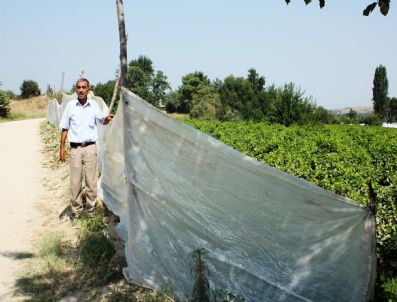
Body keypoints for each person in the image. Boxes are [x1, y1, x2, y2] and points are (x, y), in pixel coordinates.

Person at [59, 78, 113, 218]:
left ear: (88, 89)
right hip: (75, 149)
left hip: (90, 148)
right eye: (78, 87)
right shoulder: (70, 106)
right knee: (75, 182)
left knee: (91, 181)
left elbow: (102, 120)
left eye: (84, 87)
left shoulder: (94, 105)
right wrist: (61, 148)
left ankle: (90, 210)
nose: (81, 90)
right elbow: (64, 128)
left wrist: (107, 119)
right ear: (75, 89)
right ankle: (76, 210)